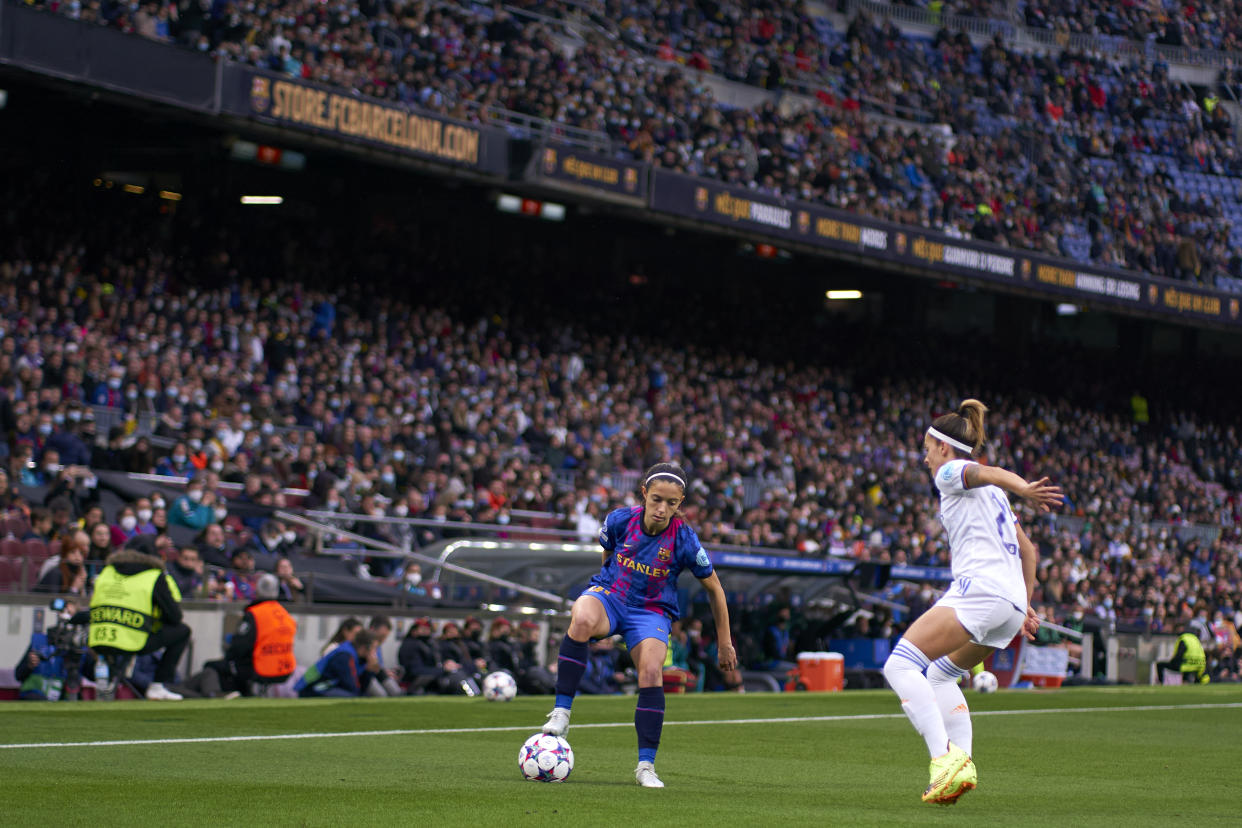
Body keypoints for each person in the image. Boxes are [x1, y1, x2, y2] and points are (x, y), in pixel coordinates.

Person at [881, 400, 1062, 805]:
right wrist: (1026, 605)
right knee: (941, 675)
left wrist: (1025, 488)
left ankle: (942, 759)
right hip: (1010, 602)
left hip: (980, 590)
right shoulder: (995, 497)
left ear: (944, 447)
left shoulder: (950, 473)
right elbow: (1029, 552)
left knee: (900, 664)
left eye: (927, 446)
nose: (923, 455)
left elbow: (987, 469)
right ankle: (961, 764)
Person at [540, 462, 737, 788]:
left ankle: (646, 766)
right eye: (657, 499)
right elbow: (606, 556)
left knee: (650, 671)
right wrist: (603, 590)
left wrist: (725, 642)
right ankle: (561, 713)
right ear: (644, 493)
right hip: (612, 596)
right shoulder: (619, 519)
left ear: (680, 503)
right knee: (582, 616)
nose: (662, 509)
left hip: (651, 611)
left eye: (671, 503)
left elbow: (715, 588)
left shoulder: (685, 539)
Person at [87, 544, 194, 701]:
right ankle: (157, 686)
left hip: (98, 638)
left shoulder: (107, 571)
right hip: (131, 639)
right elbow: (175, 616)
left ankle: (104, 672)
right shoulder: (154, 575)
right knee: (182, 631)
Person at [223, 573, 298, 695]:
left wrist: (228, 657)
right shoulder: (285, 614)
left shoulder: (254, 614)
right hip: (286, 670)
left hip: (261, 671)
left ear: (257, 590)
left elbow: (240, 646)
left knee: (218, 667)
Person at [296, 629, 376, 697]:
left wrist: (369, 670)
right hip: (312, 689)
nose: (375, 654)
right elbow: (353, 688)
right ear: (364, 648)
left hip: (321, 687)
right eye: (374, 649)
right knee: (352, 697)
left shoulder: (354, 656)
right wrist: (368, 671)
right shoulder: (345, 657)